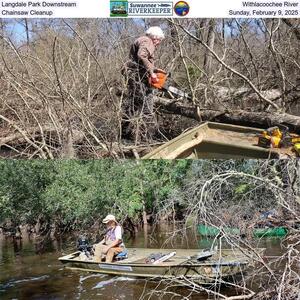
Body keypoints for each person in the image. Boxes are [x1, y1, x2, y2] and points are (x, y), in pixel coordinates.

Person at [122, 26, 165, 143]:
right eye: (159, 40)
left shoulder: (141, 40)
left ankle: (124, 135)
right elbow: (142, 55)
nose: (158, 43)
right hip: (139, 79)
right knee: (147, 107)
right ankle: (148, 140)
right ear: (155, 37)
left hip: (133, 77)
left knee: (132, 105)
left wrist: (155, 69)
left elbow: (139, 60)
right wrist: (152, 73)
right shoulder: (148, 41)